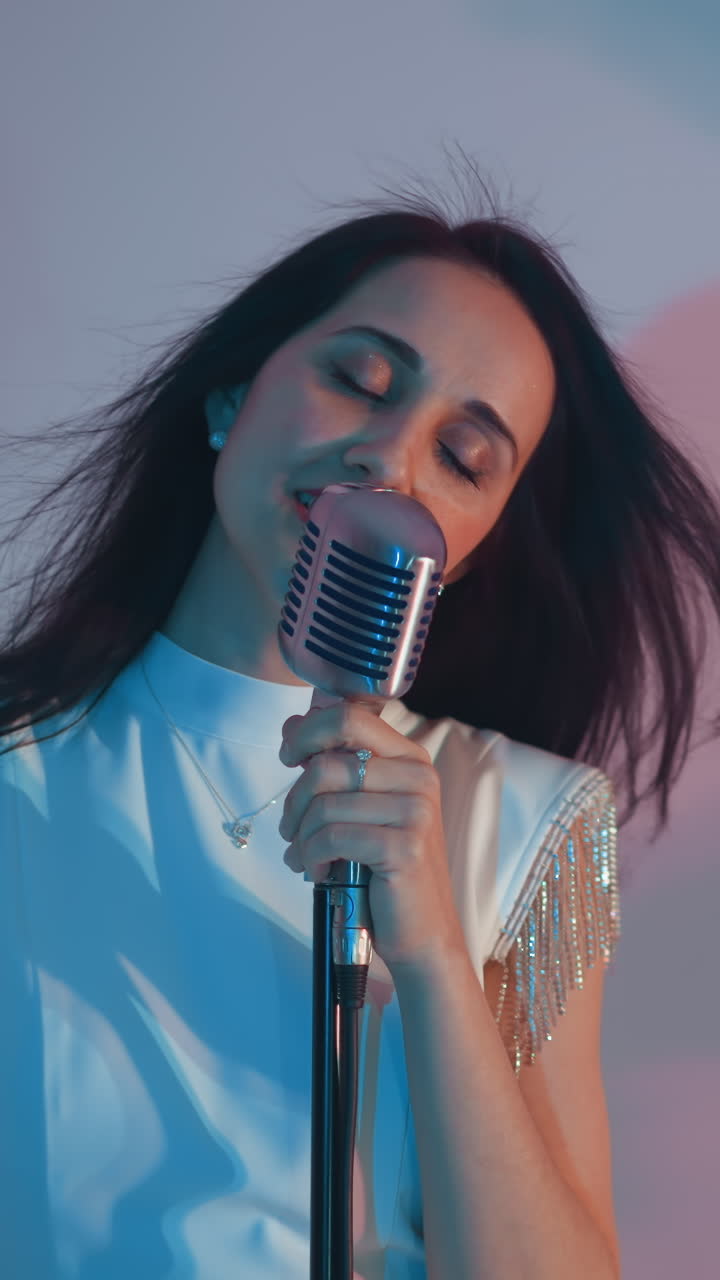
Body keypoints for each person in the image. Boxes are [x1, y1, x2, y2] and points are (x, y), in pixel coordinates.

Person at [2, 180, 719, 1280]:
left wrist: (432, 955)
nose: (389, 459)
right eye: (361, 382)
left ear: (467, 554)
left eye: (462, 458)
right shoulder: (22, 776)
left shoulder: (533, 824)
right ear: (232, 393)